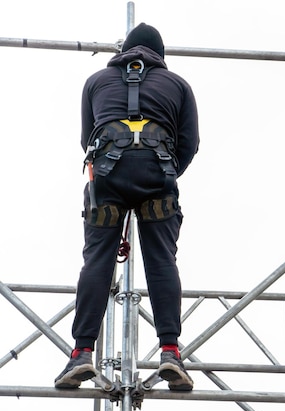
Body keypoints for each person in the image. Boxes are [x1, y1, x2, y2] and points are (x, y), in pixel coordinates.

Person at [54, 23, 200, 391]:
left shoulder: (97, 80)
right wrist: (164, 172)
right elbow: (190, 143)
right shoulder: (178, 84)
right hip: (158, 176)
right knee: (162, 260)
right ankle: (170, 352)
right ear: (159, 56)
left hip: (107, 175)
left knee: (98, 260)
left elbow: (88, 137)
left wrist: (111, 174)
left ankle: (81, 353)